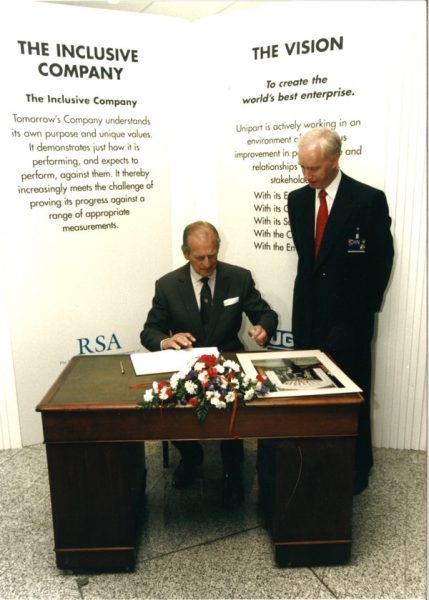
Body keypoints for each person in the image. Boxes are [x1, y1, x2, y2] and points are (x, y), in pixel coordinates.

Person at [140, 220, 278, 506]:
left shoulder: (239, 278)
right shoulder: (167, 285)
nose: (207, 263)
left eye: (212, 255)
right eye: (199, 257)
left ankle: (231, 470)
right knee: (165, 405)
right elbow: (150, 331)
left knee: (234, 405)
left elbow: (265, 314)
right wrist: (167, 341)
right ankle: (191, 455)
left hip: (227, 360)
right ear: (185, 253)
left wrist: (263, 329)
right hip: (185, 364)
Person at [287, 128, 394, 494]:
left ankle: (356, 466)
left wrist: (361, 313)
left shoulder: (367, 200)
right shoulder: (297, 200)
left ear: (334, 161)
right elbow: (309, 261)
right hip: (308, 315)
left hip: (350, 317)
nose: (307, 175)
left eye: (314, 168)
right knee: (307, 390)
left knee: (352, 393)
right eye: (302, 167)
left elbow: (380, 262)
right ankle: (313, 454)